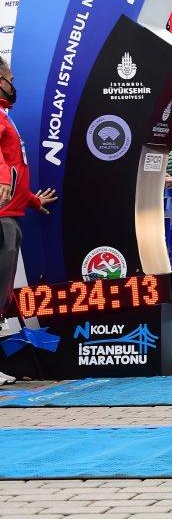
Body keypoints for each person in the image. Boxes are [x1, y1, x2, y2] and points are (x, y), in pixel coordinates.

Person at [0, 56, 57, 384]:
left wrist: (33, 199)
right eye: (9, 76)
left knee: (3, 295)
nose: (13, 82)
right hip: (2, 218)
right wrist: (4, 178)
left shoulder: (6, 116)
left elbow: (13, 165)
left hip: (12, 216)